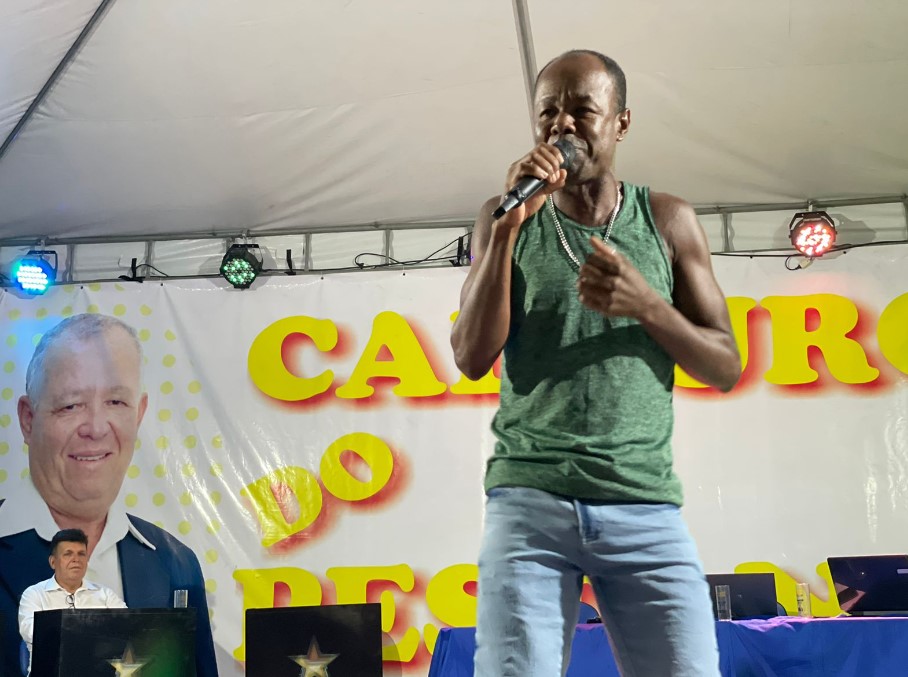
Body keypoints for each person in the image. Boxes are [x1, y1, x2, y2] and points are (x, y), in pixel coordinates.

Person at [451, 49, 741, 676]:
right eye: (548, 112)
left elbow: (725, 365)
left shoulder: (667, 219)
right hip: (530, 503)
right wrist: (505, 229)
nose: (562, 124)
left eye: (582, 110)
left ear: (621, 122)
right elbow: (471, 356)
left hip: (642, 503)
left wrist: (648, 306)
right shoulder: (504, 217)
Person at [0, 313, 218, 677]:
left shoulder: (176, 565)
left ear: (139, 414)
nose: (96, 428)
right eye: (71, 405)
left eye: (116, 402)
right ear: (28, 419)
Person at [18, 529, 127, 674]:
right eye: (68, 554)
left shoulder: (105, 594)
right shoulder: (34, 594)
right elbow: (34, 633)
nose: (76, 559)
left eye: (81, 554)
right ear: (53, 562)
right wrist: (93, 634)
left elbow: (126, 626)